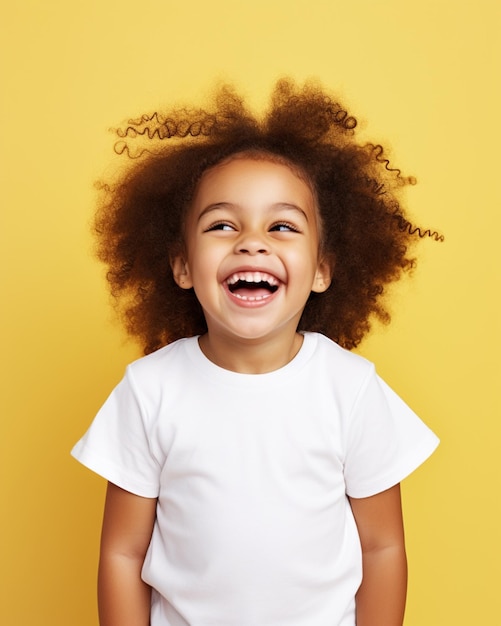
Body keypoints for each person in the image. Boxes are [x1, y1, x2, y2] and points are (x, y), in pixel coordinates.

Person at [72, 79, 441, 626]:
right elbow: (121, 554)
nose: (252, 241)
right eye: (222, 224)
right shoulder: (149, 390)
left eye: (282, 226)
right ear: (181, 264)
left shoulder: (351, 388)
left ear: (321, 269)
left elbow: (382, 548)